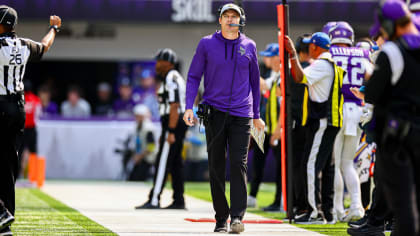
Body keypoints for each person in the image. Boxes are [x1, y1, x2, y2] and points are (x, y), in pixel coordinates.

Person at [183, 3, 264, 233]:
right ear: (219, 20)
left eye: (234, 16)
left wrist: (256, 115)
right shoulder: (206, 43)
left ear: (241, 20)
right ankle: (221, 219)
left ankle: (237, 218)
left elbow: (255, 83)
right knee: (216, 166)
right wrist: (189, 106)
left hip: (242, 114)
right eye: (226, 16)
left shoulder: (250, 45)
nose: (230, 20)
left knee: (239, 164)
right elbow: (193, 76)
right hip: (214, 113)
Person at [348, 0, 420, 235]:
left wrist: (370, 76)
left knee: (402, 203)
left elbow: (373, 93)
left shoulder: (392, 50)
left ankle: (378, 225)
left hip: (397, 134)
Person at [0, 5, 61, 235]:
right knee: (8, 167)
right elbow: (45, 46)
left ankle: (1, 212)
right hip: (18, 109)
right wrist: (53, 28)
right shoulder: (23, 45)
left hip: (1, 106)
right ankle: (6, 222)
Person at [285, 32, 343, 224]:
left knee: (310, 166)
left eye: (311, 45)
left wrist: (293, 54)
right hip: (331, 120)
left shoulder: (321, 64)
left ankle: (314, 213)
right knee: (326, 168)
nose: (308, 48)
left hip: (322, 121)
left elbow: (299, 77)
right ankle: (327, 212)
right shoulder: (332, 64)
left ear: (316, 47)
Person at [328, 21, 374, 222]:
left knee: (335, 163)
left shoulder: (330, 54)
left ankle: (337, 209)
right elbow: (373, 77)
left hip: (338, 109)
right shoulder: (363, 54)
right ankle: (356, 205)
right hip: (357, 109)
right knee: (349, 163)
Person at [135, 48, 188, 210]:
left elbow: (174, 106)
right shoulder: (171, 78)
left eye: (160, 61)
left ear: (168, 63)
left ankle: (154, 199)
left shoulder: (171, 78)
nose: (157, 64)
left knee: (163, 161)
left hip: (174, 122)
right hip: (175, 123)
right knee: (175, 163)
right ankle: (179, 199)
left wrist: (170, 131)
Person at [248, 43, 282, 212]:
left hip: (278, 128)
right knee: (257, 162)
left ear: (277, 57)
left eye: (269, 55)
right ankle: (252, 196)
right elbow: (264, 86)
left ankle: (280, 200)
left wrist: (278, 130)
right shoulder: (273, 75)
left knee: (280, 166)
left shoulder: (282, 74)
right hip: (265, 127)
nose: (266, 58)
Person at [289, 34, 312, 217]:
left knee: (297, 165)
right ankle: (306, 205)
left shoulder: (293, 70)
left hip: (295, 123)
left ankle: (300, 204)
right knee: (309, 166)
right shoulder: (318, 68)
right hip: (312, 122)